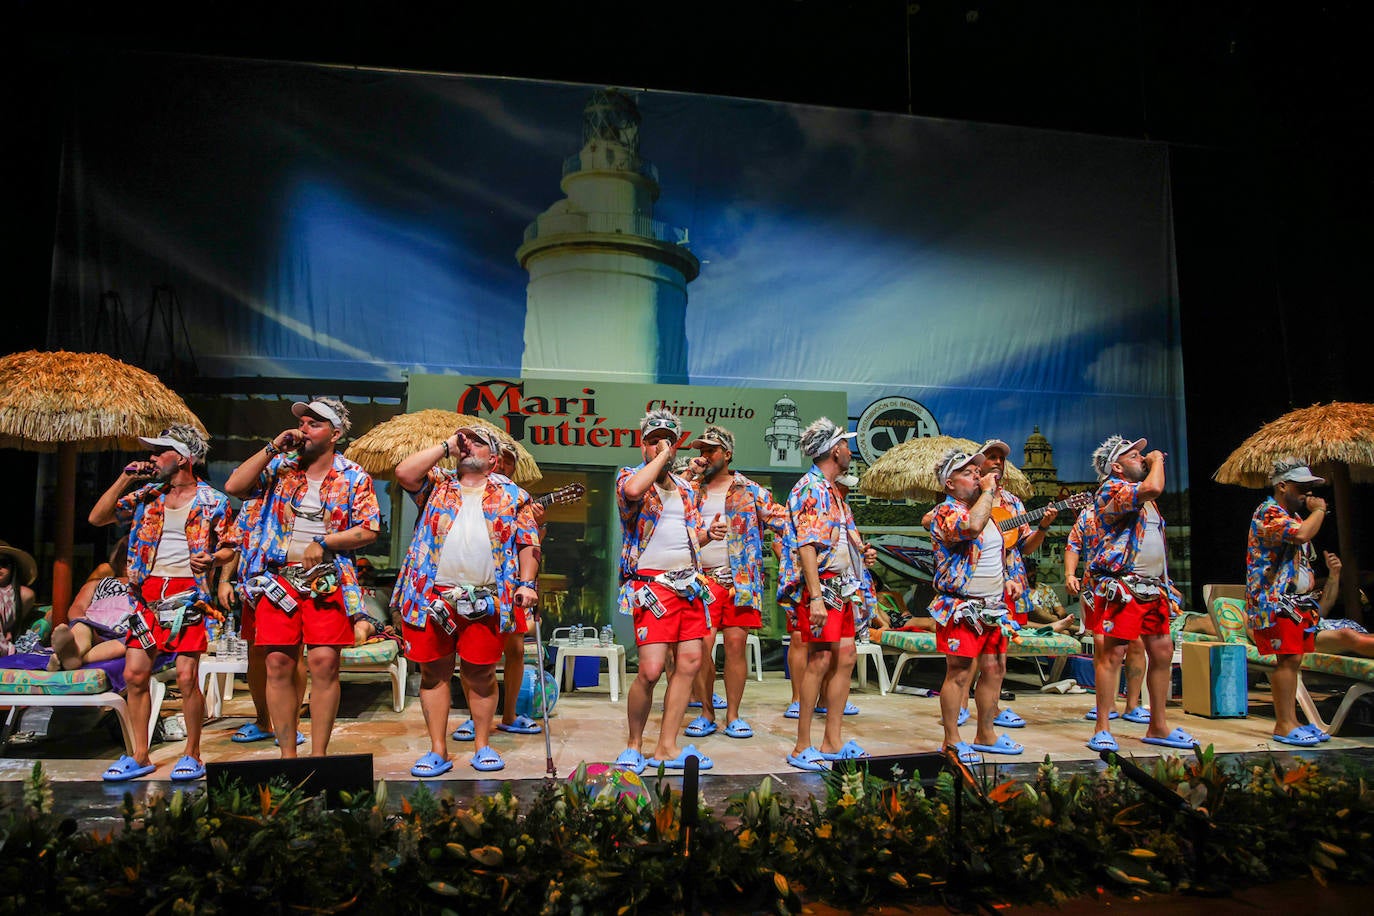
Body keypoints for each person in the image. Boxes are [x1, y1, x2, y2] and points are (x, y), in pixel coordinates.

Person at [225, 397, 380, 759]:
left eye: (315, 423)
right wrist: (271, 447)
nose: (304, 428)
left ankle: (319, 756)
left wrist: (324, 541)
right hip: (277, 580)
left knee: (324, 662)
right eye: (303, 421)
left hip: (324, 579)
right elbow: (234, 487)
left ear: (335, 434)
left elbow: (369, 528)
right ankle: (288, 755)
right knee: (277, 663)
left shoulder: (354, 475)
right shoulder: (280, 466)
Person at [88, 425, 236, 782]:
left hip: (186, 595)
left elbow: (232, 546)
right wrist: (125, 479)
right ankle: (139, 754)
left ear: (183, 458)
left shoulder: (213, 501)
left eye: (160, 451)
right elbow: (97, 517)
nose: (152, 457)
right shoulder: (147, 496)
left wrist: (214, 562)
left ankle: (193, 753)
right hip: (146, 594)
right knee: (134, 674)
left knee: (186, 677)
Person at [391, 424, 540, 775]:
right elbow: (403, 472)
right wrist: (447, 444)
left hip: (486, 597)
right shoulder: (437, 485)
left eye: (479, 442)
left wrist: (527, 582)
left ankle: (483, 745)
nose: (469, 444)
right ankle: (438, 750)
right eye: (465, 440)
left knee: (481, 673)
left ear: (493, 458)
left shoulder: (514, 495)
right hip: (432, 596)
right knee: (433, 673)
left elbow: (528, 542)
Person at [613, 409, 719, 775]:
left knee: (689, 663)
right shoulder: (631, 478)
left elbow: (682, 538)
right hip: (652, 589)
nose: (658, 444)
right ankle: (633, 744)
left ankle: (667, 746)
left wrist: (708, 536)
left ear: (676, 446)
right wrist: (661, 457)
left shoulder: (688, 490)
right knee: (651, 669)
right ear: (642, 444)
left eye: (667, 440)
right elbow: (632, 493)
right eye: (651, 439)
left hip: (688, 585)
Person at [1085, 435, 1194, 753]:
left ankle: (1158, 724)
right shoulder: (1111, 489)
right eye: (1134, 455)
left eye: (1142, 455)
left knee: (1161, 653)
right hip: (1122, 586)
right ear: (1116, 466)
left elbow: (1154, 543)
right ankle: (1102, 726)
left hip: (1152, 586)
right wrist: (1158, 461)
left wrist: (1165, 580)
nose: (1142, 458)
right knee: (1113, 655)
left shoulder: (1146, 501)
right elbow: (1153, 486)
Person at [679, 424, 787, 740]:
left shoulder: (750, 490)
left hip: (741, 581)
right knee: (702, 646)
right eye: (701, 450)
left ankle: (734, 715)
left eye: (711, 450)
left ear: (727, 454)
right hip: (702, 580)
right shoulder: (690, 490)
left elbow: (785, 522)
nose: (704, 455)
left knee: (737, 646)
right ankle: (706, 713)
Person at [780, 417, 870, 771]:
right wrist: (815, 596)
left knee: (845, 657)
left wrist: (860, 552)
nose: (849, 450)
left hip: (842, 585)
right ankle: (803, 743)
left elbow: (838, 536)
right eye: (846, 445)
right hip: (823, 588)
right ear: (835, 450)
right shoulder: (811, 488)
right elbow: (806, 545)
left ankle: (832, 739)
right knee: (818, 660)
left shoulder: (831, 489)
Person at [926, 448, 1025, 764]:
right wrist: (987, 491)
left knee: (994, 668)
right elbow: (971, 528)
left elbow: (995, 551)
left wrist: (1005, 580)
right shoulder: (947, 512)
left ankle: (985, 733)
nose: (978, 477)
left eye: (978, 472)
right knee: (959, 671)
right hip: (961, 607)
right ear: (949, 484)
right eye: (968, 473)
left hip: (993, 605)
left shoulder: (990, 513)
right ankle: (952, 739)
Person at [1244, 457, 1333, 746]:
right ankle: (1284, 724)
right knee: (1287, 660)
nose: (1307, 494)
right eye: (1301, 487)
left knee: (1294, 661)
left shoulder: (1293, 516)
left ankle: (1293, 721)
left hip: (1295, 603)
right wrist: (1319, 511)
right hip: (1274, 602)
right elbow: (1304, 534)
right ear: (1282, 486)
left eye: (1310, 488)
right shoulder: (1268, 513)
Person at [974, 439, 1056, 729]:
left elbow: (1026, 546)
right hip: (978, 583)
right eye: (991, 457)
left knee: (1000, 652)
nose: (997, 461)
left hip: (1012, 583)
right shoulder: (969, 496)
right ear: (979, 464)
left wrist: (1043, 526)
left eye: (1001, 458)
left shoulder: (1013, 503)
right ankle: (961, 706)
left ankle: (994, 708)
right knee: (972, 652)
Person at [221, 498, 309, 746]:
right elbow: (234, 543)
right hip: (253, 587)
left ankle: (292, 724)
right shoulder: (252, 503)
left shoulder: (295, 498)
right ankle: (263, 721)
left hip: (286, 584)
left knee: (292, 655)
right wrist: (224, 580)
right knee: (255, 653)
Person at [491, 439, 546, 738]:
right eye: (497, 457)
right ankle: (476, 717)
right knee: (477, 655)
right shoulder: (462, 491)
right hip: (474, 579)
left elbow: (533, 544)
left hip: (511, 583)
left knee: (515, 650)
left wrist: (540, 523)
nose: (502, 463)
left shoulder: (520, 498)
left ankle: (510, 713)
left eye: (508, 460)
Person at [48, 538, 131, 670]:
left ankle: (71, 659)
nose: (130, 565)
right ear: (118, 561)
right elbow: (77, 607)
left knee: (130, 644)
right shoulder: (97, 583)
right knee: (81, 627)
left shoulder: (149, 587)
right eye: (126, 560)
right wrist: (83, 620)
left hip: (127, 630)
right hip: (95, 625)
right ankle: (73, 654)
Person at [0, 541, 38, 655]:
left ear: (12, 568)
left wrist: (11, 630)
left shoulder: (22, 594)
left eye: (3, 562)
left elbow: (16, 621)